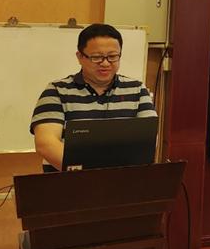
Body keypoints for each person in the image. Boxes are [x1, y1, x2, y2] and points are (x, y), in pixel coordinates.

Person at [30, 23, 158, 171]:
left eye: (113, 56)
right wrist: (88, 174)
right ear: (80, 57)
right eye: (97, 57)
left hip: (123, 179)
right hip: (70, 179)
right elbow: (46, 144)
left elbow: (147, 140)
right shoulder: (57, 91)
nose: (105, 63)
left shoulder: (137, 90)